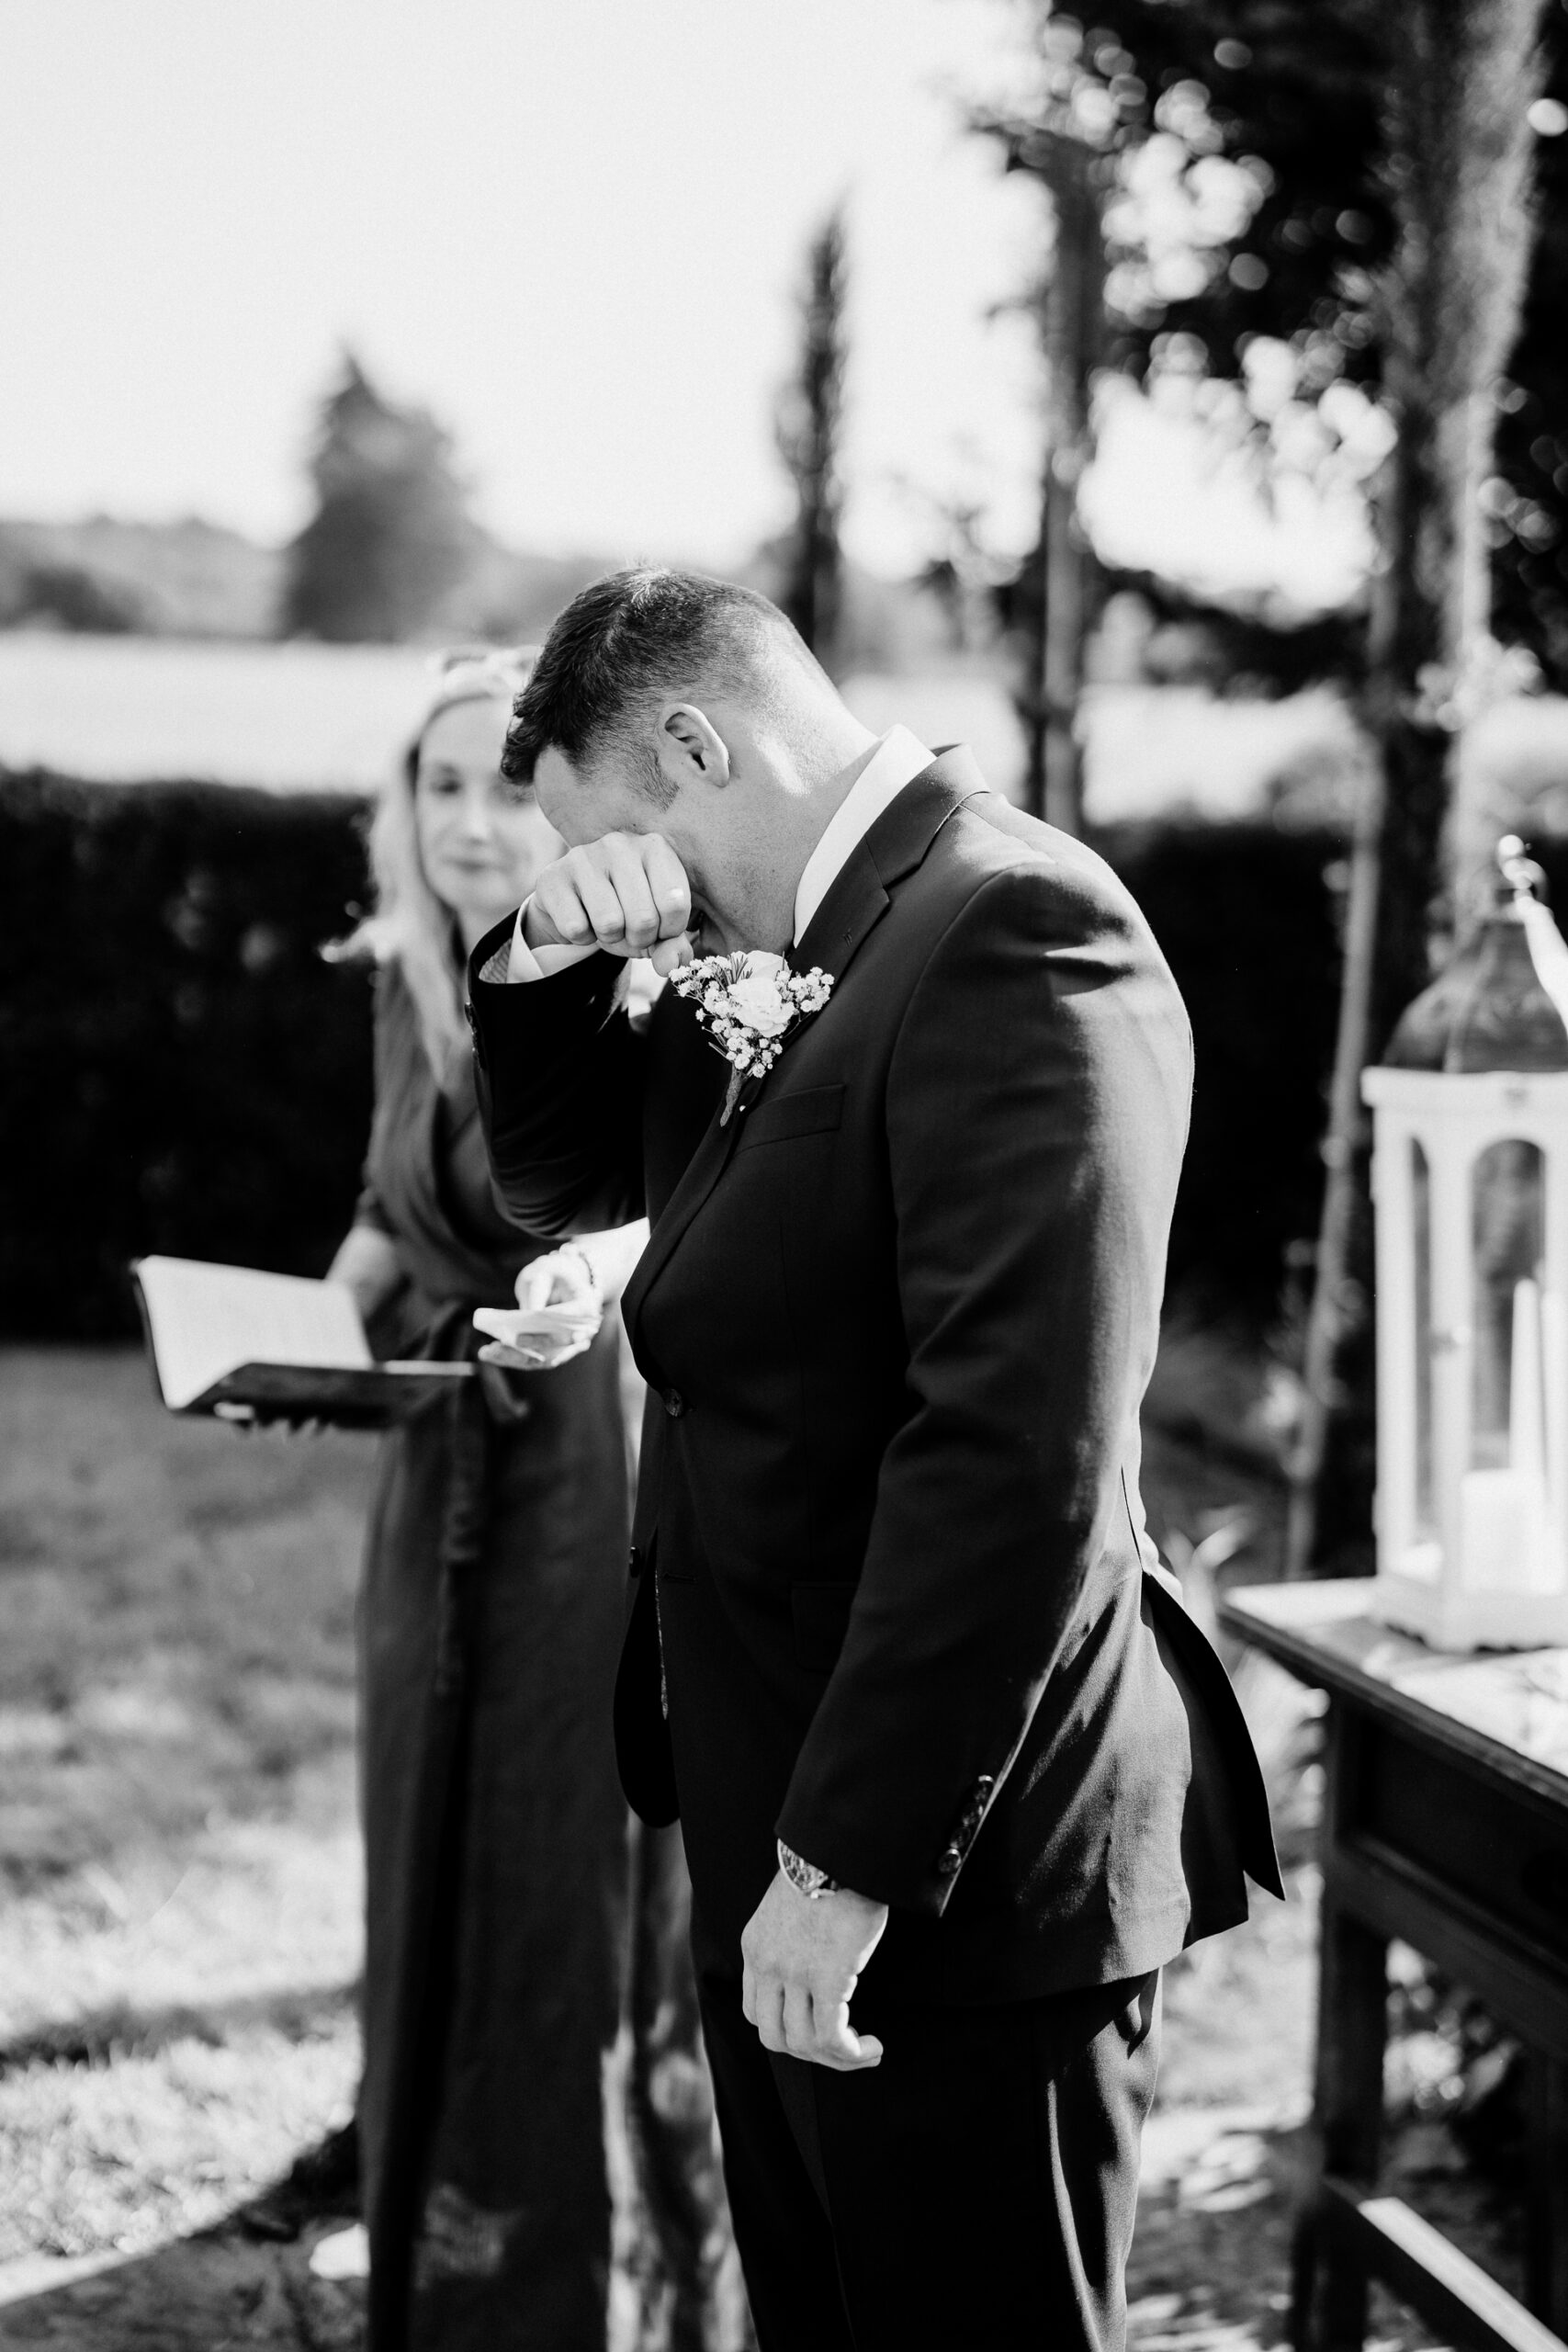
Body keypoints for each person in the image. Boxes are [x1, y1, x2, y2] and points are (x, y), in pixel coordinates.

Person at [468, 571, 1283, 2352]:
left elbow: (1017, 1452)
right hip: (759, 1791)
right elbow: (557, 1187)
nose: (627, 887)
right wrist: (542, 955)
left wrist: (842, 1867)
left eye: (614, 834)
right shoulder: (745, 946)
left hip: (948, 1858)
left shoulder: (1015, 927)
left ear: (693, 742)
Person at [295, 650, 700, 2352]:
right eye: (437, 787)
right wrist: (301, 1337)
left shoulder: (615, 977)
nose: (468, 825)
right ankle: (412, 2180)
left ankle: (546, 2281)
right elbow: (400, 1209)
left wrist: (595, 1276)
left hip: (573, 1444)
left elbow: (639, 1206)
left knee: (558, 1848)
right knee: (422, 1813)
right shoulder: (403, 969)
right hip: (427, 1450)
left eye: (497, 788)